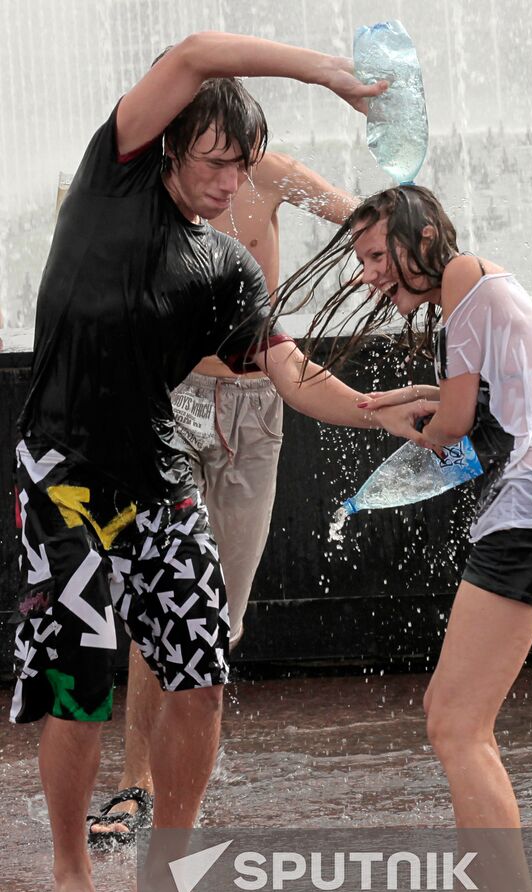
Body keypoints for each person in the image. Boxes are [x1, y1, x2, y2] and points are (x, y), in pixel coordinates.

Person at [10, 34, 428, 892]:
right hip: (66, 474)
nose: (230, 182)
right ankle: (75, 879)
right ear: (169, 148)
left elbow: (287, 373)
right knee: (79, 683)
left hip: (157, 480)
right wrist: (325, 75)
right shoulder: (107, 180)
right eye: (213, 162)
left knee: (199, 676)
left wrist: (373, 409)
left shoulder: (224, 268)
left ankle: (166, 868)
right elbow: (197, 52)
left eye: (242, 168)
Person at [271, 184, 532, 892]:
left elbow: (453, 429)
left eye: (377, 255)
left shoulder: (460, 283)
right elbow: (476, 411)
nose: (371, 275)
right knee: (454, 720)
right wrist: (405, 404)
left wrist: (396, 413)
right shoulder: (482, 284)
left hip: (531, 510)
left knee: (456, 725)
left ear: (419, 235)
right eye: (361, 261)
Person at [88, 152, 358, 842]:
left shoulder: (267, 173)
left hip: (256, 405)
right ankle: (135, 784)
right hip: (170, 399)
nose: (222, 169)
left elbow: (355, 216)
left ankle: (182, 778)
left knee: (219, 618)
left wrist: (424, 255)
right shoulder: (149, 186)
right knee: (164, 596)